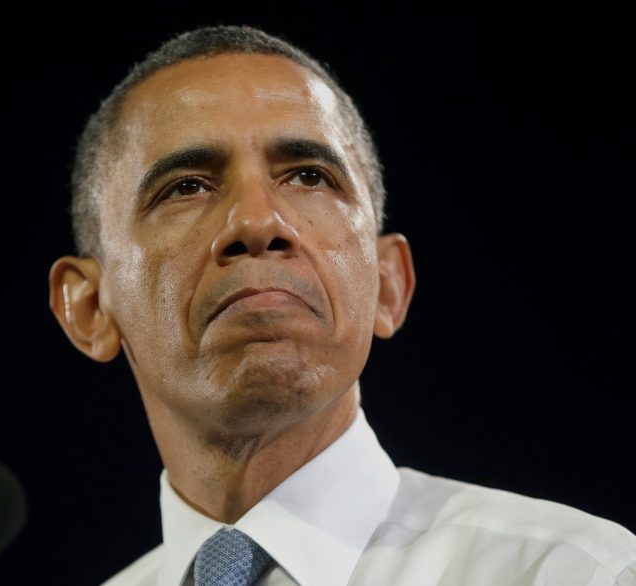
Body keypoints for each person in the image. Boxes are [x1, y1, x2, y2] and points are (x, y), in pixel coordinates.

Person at [48, 25, 636, 586]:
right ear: (89, 308)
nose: (257, 221)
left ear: (387, 285)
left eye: (309, 176)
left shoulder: (574, 573)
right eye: (187, 186)